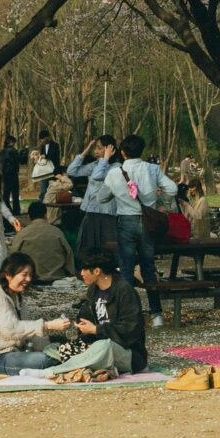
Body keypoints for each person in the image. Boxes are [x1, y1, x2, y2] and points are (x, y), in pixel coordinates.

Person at [105, 135, 176, 320]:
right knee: (148, 268)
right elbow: (173, 188)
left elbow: (102, 198)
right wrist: (161, 201)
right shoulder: (152, 169)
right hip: (148, 222)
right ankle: (156, 314)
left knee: (126, 268)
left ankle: (129, 314)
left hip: (126, 220)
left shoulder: (114, 172)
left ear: (122, 152)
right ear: (142, 150)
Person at [0, 253, 73, 375]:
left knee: (58, 355)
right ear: (8, 275)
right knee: (46, 361)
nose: (28, 279)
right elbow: (11, 329)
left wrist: (50, 349)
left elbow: (31, 333)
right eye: (24, 275)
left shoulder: (18, 297)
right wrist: (47, 325)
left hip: (13, 354)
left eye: (30, 275)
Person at [67, 246, 148, 377]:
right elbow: (86, 320)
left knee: (104, 347)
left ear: (97, 271)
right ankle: (98, 366)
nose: (81, 273)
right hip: (97, 347)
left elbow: (130, 329)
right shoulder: (93, 291)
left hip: (128, 352)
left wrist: (96, 330)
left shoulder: (124, 291)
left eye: (84, 269)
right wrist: (83, 331)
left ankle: (53, 371)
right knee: (57, 348)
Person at [7, 201, 73, 285]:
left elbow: (12, 256)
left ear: (29, 217)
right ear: (46, 215)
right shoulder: (57, 232)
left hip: (32, 279)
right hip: (57, 278)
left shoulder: (23, 234)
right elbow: (69, 255)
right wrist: (70, 274)